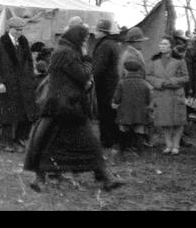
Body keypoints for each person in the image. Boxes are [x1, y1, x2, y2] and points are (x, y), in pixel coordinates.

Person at [24, 26, 124, 192]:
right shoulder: (67, 53)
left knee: (49, 141)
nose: (85, 42)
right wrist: (86, 58)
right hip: (69, 105)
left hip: (60, 105)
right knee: (87, 142)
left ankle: (40, 179)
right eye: (84, 39)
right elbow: (84, 75)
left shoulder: (63, 51)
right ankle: (105, 177)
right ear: (76, 38)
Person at [0, 17, 36, 152]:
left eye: (21, 30)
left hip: (24, 85)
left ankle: (20, 139)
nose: (19, 32)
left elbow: (29, 61)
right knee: (8, 114)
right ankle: (6, 141)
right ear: (10, 29)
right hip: (7, 85)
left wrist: (31, 78)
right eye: (17, 30)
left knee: (25, 113)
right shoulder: (0, 43)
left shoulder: (23, 41)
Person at [147, 35, 189, 155]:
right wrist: (160, 83)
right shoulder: (154, 60)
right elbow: (148, 76)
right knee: (164, 121)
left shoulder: (180, 60)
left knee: (178, 121)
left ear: (171, 46)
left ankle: (176, 145)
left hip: (176, 93)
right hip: (162, 93)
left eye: (165, 44)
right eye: (161, 44)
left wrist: (173, 81)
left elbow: (186, 77)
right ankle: (168, 145)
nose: (162, 46)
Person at [92, 19, 122, 149]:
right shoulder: (112, 43)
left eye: (97, 30)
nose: (95, 32)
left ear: (102, 32)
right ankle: (114, 139)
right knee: (111, 113)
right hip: (112, 83)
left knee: (105, 113)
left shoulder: (104, 45)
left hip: (105, 85)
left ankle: (107, 141)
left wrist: (91, 79)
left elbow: (99, 68)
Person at [111, 60, 151, 153]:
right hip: (140, 111)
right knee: (139, 129)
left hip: (125, 111)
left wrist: (114, 103)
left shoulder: (122, 82)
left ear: (126, 70)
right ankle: (139, 150)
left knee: (123, 128)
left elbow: (117, 98)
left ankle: (123, 149)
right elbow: (148, 98)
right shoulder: (144, 83)